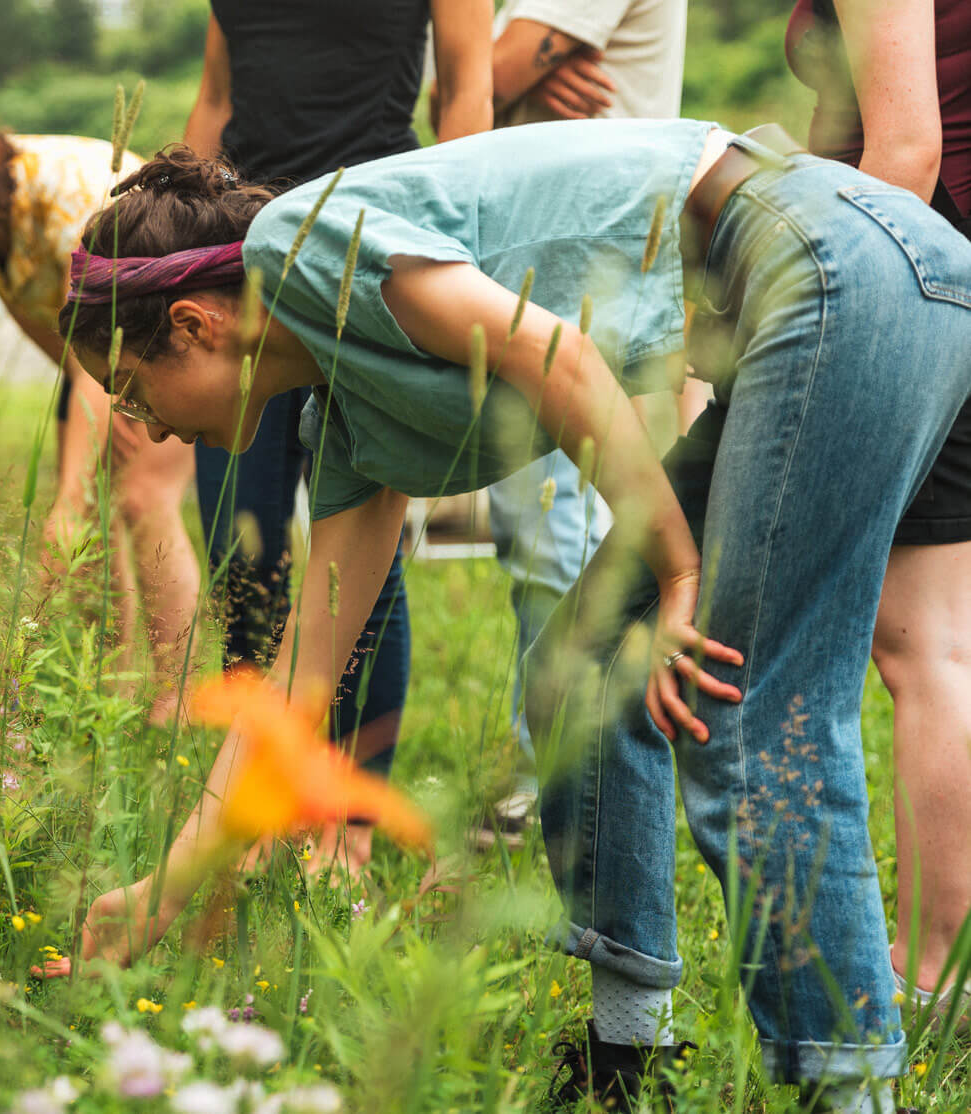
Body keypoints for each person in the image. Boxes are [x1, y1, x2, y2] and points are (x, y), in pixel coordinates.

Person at [59, 123, 971, 1111]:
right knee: (577, 668)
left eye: (129, 389)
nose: (140, 425)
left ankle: (852, 1092)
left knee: (743, 704)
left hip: (839, 262)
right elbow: (294, 689)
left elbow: (556, 353)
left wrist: (675, 569)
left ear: (191, 325)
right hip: (867, 273)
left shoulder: (298, 239)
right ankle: (628, 1051)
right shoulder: (353, 418)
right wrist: (162, 891)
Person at [180, 0, 492, 874]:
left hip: (368, 244)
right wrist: (168, 247)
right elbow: (214, 97)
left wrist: (448, 247)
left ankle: (349, 818)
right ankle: (255, 792)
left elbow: (466, 89)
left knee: (359, 538)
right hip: (239, 255)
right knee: (238, 531)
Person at [0, 82, 201, 719]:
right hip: (102, 358)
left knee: (138, 499)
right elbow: (51, 334)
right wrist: (95, 435)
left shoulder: (66, 195)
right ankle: (106, 694)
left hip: (167, 331)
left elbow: (108, 334)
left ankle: (173, 705)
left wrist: (73, 492)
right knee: (84, 528)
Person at [786, 0, 971, 1028]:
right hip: (947, 267)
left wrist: (814, 306)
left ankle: (933, 968)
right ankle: (943, 962)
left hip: (919, 270)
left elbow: (903, 145)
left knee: (922, 646)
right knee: (940, 641)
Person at [473, 0, 694, 847]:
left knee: (553, 532)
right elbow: (478, 78)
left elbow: (480, 77)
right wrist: (508, 74)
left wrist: (503, 78)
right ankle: (576, 770)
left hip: (584, 258)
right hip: (596, 250)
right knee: (559, 530)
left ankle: (567, 782)